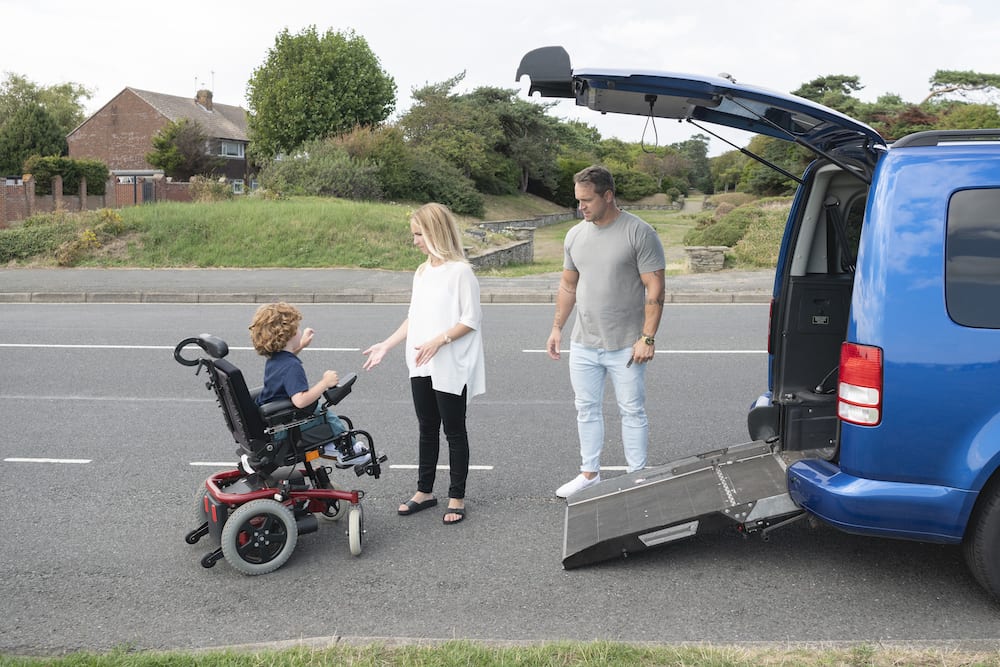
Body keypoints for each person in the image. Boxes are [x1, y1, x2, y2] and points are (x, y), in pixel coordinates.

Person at [362, 202, 485, 525]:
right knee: (426, 428)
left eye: (419, 233)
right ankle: (424, 492)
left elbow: (471, 320)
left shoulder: (460, 272)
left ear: (435, 232)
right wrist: (386, 345)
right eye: (414, 234)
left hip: (450, 363)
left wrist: (438, 340)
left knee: (454, 431)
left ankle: (456, 497)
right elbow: (413, 318)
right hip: (420, 362)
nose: (415, 240)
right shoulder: (422, 271)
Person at [547, 165, 666, 499]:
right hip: (584, 343)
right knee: (585, 408)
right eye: (578, 201)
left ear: (608, 195)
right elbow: (568, 286)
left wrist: (647, 337)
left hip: (626, 346)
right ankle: (589, 475)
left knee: (632, 411)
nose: (580, 207)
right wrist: (557, 328)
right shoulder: (575, 235)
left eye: (587, 200)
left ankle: (637, 477)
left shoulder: (639, 233)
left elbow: (655, 288)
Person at [249, 301, 370, 467]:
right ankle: (348, 451)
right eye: (297, 327)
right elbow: (300, 401)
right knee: (324, 413)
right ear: (288, 333)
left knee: (319, 410)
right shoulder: (292, 366)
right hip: (285, 426)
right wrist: (324, 383)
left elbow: (287, 357)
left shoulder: (275, 358)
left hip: (273, 421)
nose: (299, 330)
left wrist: (301, 345)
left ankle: (337, 447)